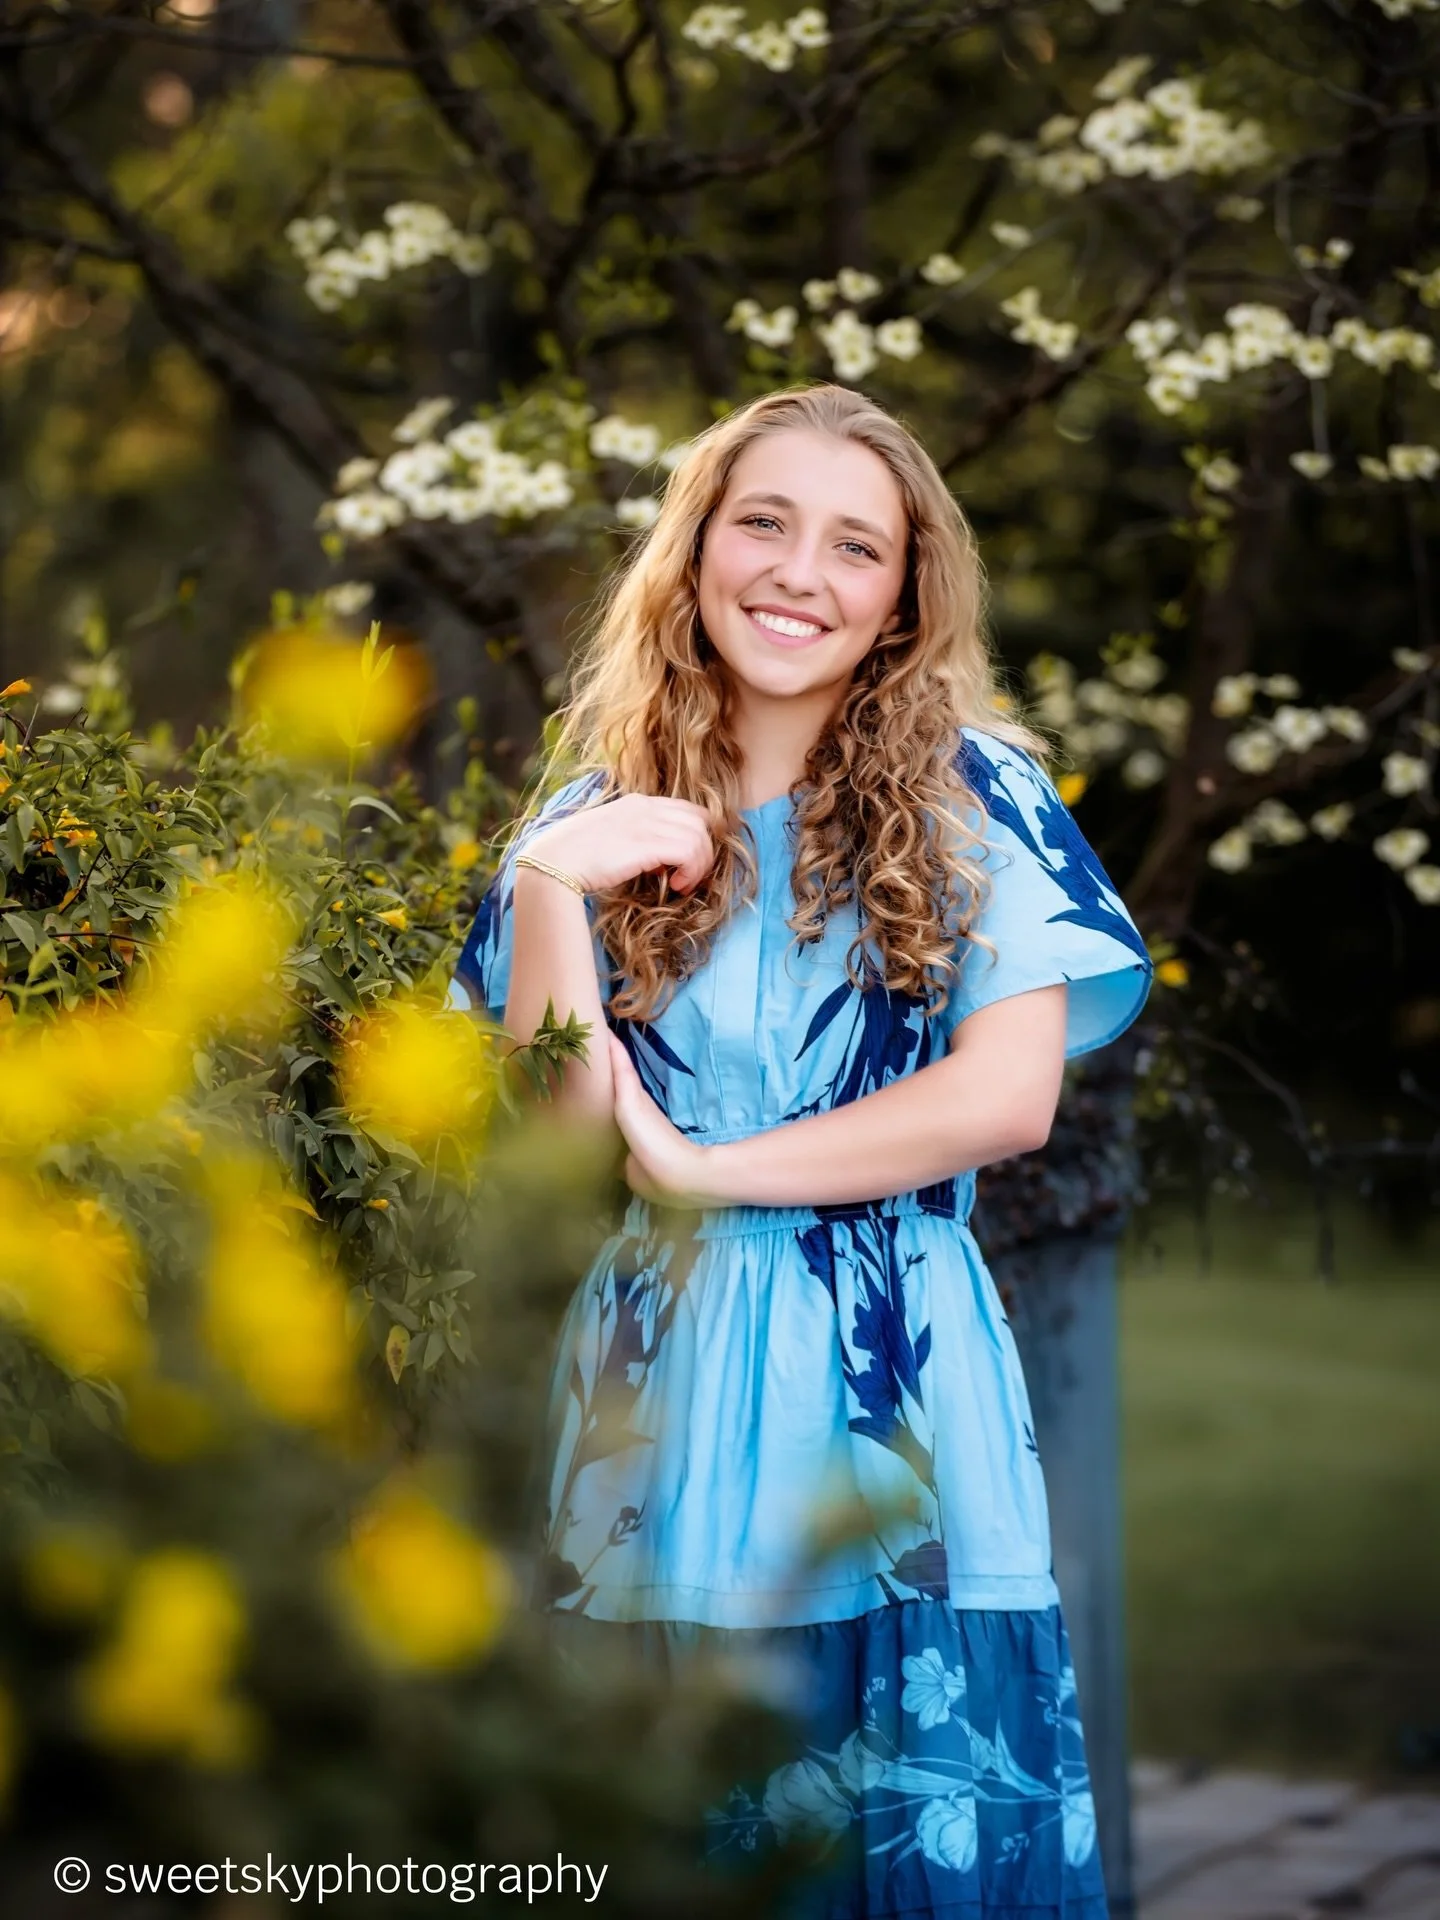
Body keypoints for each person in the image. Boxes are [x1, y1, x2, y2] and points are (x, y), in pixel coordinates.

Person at [449, 383, 1152, 1918]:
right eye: (762, 522)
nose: (798, 573)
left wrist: (705, 1173)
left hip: (890, 1377)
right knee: (653, 1823)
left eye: (855, 546)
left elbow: (1004, 1099)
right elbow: (566, 1141)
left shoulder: (983, 802)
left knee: (901, 1836)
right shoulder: (586, 820)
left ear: (904, 598)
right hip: (646, 1383)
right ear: (696, 549)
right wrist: (555, 884)